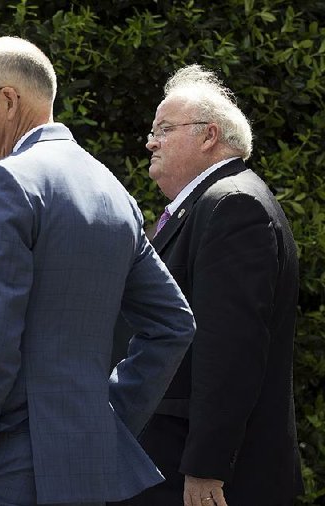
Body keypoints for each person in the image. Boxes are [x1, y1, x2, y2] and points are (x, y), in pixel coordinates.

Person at [0, 36, 196, 505]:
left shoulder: (5, 181)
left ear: (8, 100)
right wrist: (107, 417)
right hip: (85, 464)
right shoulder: (112, 190)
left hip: (4, 467)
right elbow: (172, 325)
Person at [111, 65, 302, 506]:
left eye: (163, 129)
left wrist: (207, 466)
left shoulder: (232, 204)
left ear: (209, 135)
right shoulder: (209, 204)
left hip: (197, 475)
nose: (150, 141)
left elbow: (232, 349)